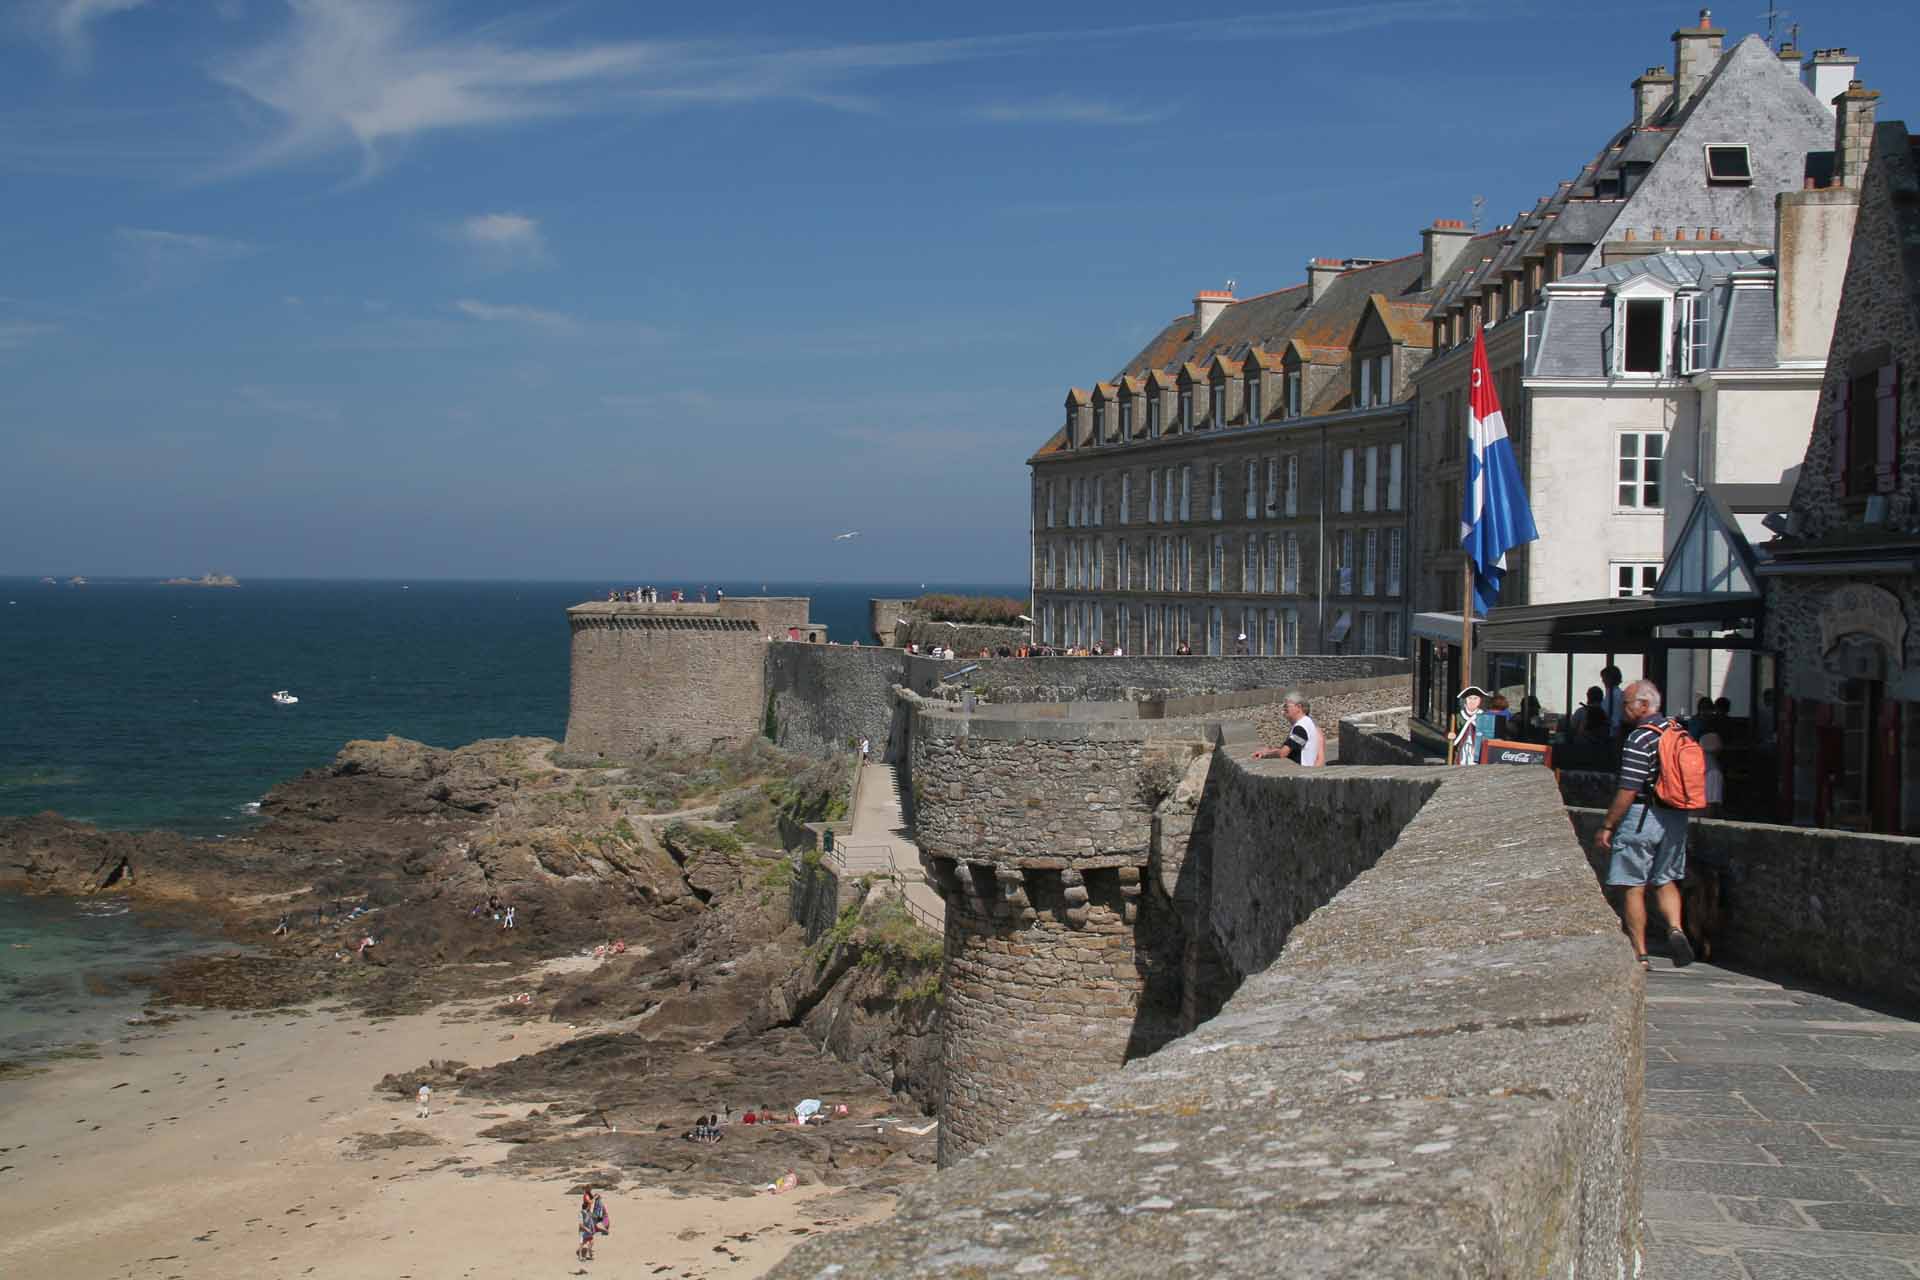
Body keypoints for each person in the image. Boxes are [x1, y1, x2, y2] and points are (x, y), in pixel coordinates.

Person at [1595, 679, 1694, 970]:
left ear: (1644, 705)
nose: (1623, 710)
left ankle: (1640, 954)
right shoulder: (1679, 732)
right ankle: (1675, 928)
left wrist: (1609, 825)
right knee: (1665, 879)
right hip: (1675, 817)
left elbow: (1628, 789)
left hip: (1642, 816)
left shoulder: (1640, 738)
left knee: (1632, 884)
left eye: (1627, 704)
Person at [1251, 692, 1322, 766]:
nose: (1283, 710)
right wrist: (1267, 751)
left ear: (1299, 707)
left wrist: (1265, 755)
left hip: (1300, 771)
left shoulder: (1301, 728)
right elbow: (1292, 748)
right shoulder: (1307, 723)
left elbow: (1283, 753)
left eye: (1286, 706)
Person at [1601, 665, 1625, 736]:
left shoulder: (1614, 695)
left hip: (1611, 734)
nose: (1603, 681)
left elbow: (1615, 718)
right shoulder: (1617, 694)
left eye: (1604, 678)